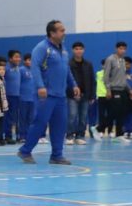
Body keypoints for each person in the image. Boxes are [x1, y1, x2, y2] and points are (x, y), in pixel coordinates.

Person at [17, 21, 79, 165]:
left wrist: (73, 84)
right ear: (52, 33)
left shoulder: (63, 50)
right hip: (46, 95)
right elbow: (35, 67)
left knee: (60, 126)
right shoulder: (42, 48)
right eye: (61, 30)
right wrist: (40, 86)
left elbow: (66, 69)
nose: (64, 32)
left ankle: (57, 155)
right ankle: (25, 151)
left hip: (60, 96)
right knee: (40, 123)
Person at [102, 42, 132, 143]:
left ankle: (119, 135)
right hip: (114, 89)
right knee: (114, 111)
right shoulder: (110, 59)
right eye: (120, 48)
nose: (122, 50)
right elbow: (106, 76)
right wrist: (108, 89)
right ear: (116, 48)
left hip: (122, 90)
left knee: (121, 112)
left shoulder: (123, 60)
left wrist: (129, 90)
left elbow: (123, 77)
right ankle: (98, 128)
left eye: (124, 49)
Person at [66, 41, 95, 145]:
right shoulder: (68, 64)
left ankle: (80, 136)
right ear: (73, 50)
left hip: (85, 95)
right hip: (72, 95)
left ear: (84, 50)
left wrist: (92, 95)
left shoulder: (88, 64)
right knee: (72, 116)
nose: (78, 51)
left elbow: (92, 80)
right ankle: (69, 135)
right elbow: (66, 80)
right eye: (76, 49)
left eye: (80, 49)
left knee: (83, 117)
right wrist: (71, 92)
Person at [3, 50, 22, 143]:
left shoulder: (19, 69)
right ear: (10, 58)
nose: (18, 59)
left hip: (17, 96)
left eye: (19, 57)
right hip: (8, 96)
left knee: (15, 117)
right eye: (16, 57)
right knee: (8, 117)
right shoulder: (5, 68)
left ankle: (18, 136)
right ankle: (7, 136)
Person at [18, 53, 36, 143]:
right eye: (28, 60)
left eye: (32, 60)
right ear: (24, 61)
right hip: (23, 98)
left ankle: (29, 135)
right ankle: (22, 136)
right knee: (22, 118)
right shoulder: (21, 70)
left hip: (32, 99)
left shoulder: (35, 70)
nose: (30, 62)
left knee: (31, 118)